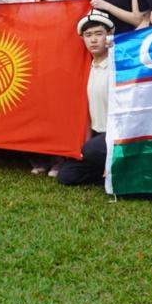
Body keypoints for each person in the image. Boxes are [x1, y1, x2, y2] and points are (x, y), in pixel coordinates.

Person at [55, 11, 115, 188]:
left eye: (99, 34)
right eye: (88, 35)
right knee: (67, 175)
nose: (93, 40)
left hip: (115, 137)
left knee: (90, 150)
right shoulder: (86, 67)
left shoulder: (116, 67)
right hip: (97, 137)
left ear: (108, 36)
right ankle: (107, 174)